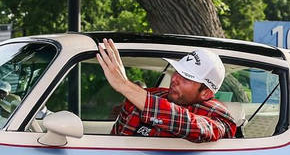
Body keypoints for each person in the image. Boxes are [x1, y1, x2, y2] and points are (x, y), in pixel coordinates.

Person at [96, 38, 236, 142]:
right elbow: (117, 138)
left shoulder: (221, 119)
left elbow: (195, 126)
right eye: (177, 72)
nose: (174, 79)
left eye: (186, 78)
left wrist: (125, 85)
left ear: (206, 93)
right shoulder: (153, 95)